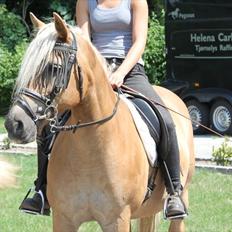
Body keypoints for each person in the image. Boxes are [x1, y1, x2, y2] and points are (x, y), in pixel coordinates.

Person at [20, 0, 187, 220]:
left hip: (130, 71)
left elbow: (139, 42)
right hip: (93, 70)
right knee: (50, 123)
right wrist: (98, 71)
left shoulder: (136, 1)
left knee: (164, 119)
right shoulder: (85, 2)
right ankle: (42, 189)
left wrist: (119, 73)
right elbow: (84, 42)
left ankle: (174, 191)